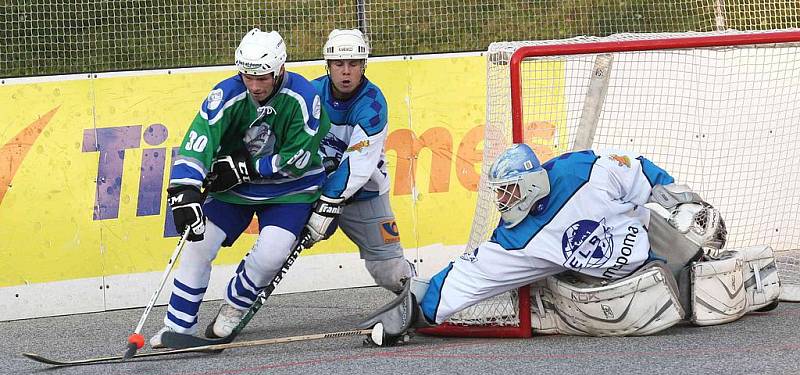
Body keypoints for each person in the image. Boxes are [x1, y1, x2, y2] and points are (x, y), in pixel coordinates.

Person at [358, 143, 781, 344]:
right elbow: (466, 279)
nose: (501, 201)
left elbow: (643, 173)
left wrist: (677, 197)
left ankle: (735, 276)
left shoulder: (583, 170)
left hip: (660, 243)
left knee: (707, 266)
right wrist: (413, 309)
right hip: (625, 284)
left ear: (527, 184)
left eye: (506, 191)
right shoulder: (515, 239)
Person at [150, 28, 331, 347]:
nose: (255, 85)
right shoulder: (226, 94)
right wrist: (185, 190)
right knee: (197, 244)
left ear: (280, 70)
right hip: (234, 190)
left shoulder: (304, 97)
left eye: (263, 77)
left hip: (291, 190)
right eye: (248, 76)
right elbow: (198, 140)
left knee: (272, 255)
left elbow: (299, 158)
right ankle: (177, 328)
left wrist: (246, 167)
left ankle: (236, 304)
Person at [305, 29, 414, 294]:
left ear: (363, 65)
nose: (345, 72)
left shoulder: (373, 104)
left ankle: (421, 305)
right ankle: (238, 304)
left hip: (365, 195)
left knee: (390, 272)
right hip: (313, 190)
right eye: (339, 64)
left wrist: (327, 205)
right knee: (276, 247)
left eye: (353, 64)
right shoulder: (309, 93)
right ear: (328, 65)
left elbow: (357, 165)